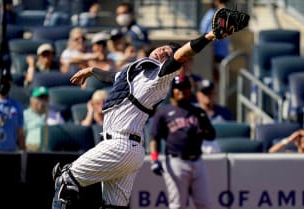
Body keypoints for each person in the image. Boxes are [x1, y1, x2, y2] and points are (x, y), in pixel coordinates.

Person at [52, 7, 249, 209]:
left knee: (65, 179)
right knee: (113, 206)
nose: (164, 51)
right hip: (130, 149)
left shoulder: (159, 76)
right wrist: (91, 70)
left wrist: (209, 35)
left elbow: (182, 55)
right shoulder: (137, 71)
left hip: (119, 144)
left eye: (168, 53)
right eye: (164, 48)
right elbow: (112, 77)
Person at [149, 74, 215, 209]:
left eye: (185, 88)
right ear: (173, 90)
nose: (182, 91)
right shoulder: (164, 112)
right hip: (176, 161)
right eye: (178, 88)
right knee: (177, 205)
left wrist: (201, 132)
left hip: (197, 161)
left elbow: (211, 135)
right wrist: (154, 159)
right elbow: (154, 137)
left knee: (205, 204)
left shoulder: (198, 112)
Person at [23, 86, 65, 151]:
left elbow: (62, 136)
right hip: (31, 149)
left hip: (52, 151)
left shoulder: (56, 116)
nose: (42, 101)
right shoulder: (25, 115)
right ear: (32, 100)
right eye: (39, 98)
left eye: (45, 98)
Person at [199, 0, 229, 82]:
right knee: (217, 84)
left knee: (222, 84)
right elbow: (210, 35)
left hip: (222, 55)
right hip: (215, 55)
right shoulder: (213, 14)